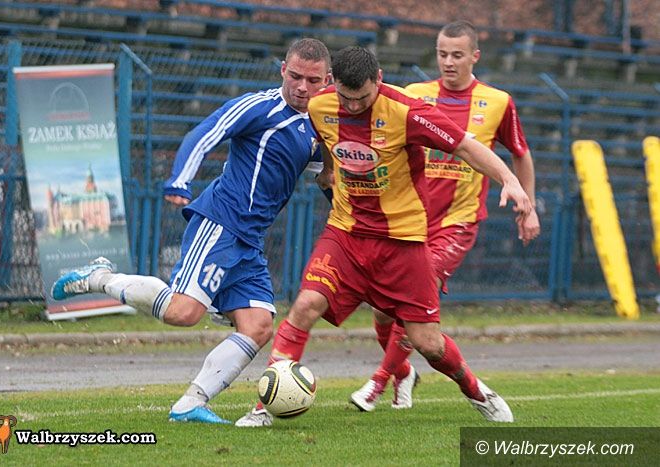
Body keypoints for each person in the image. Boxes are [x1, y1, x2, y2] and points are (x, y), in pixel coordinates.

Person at [235, 46, 534, 427]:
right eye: (346, 97)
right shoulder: (321, 104)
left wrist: (509, 179)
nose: (353, 106)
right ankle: (264, 408)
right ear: (333, 84)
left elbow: (465, 145)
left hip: (402, 241)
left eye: (362, 98)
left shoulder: (406, 111)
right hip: (346, 232)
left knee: (427, 343)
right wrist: (328, 171)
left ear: (378, 80)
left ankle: (476, 391)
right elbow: (326, 138)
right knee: (306, 304)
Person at [50, 38, 332, 424]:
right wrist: (180, 180)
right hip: (222, 222)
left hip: (250, 239)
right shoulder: (261, 107)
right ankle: (99, 277)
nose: (302, 87)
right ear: (283, 70)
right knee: (184, 312)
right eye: (295, 76)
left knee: (258, 326)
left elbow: (327, 177)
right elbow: (206, 132)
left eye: (312, 80)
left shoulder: (318, 125)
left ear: (326, 81)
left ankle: (190, 404)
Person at [350, 20, 541, 412]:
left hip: (457, 223)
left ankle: (378, 381)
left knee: (411, 301)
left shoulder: (498, 102)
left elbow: (520, 153)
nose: (448, 62)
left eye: (457, 55)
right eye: (442, 54)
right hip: (410, 221)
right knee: (383, 309)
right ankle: (404, 372)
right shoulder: (415, 95)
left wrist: (529, 206)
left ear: (475, 56)